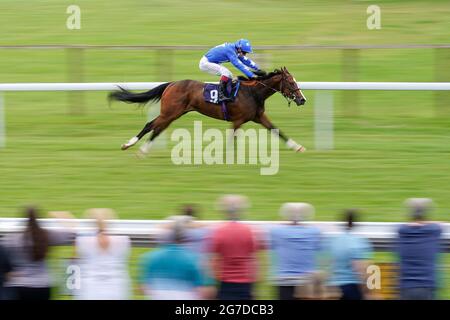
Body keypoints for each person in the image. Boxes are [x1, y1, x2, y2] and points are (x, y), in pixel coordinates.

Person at [2, 206, 75, 300]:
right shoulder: (47, 235)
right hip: (43, 286)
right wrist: (62, 215)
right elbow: (72, 235)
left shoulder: (13, 238)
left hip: (19, 285)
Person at [208, 195, 263, 300]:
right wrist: (255, 287)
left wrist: (212, 283)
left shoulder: (218, 232)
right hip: (246, 283)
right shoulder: (251, 231)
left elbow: (214, 261)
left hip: (225, 283)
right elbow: (255, 260)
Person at [74, 208, 132, 300]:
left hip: (90, 289)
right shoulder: (124, 240)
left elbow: (76, 261)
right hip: (117, 288)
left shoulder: (82, 241)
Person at [269, 203, 322, 300]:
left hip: (285, 280)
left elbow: (273, 246)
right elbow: (318, 248)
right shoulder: (314, 232)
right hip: (306, 283)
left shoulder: (277, 232)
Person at [397, 198, 442, 300]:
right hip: (427, 288)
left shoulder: (401, 230)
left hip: (406, 288)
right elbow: (438, 225)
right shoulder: (434, 230)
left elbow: (407, 225)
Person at [326, 209, 374, 300]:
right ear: (356, 223)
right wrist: (368, 291)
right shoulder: (359, 242)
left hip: (334, 288)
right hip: (352, 289)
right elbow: (361, 269)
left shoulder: (332, 241)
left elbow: (327, 265)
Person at [199, 39, 266, 102]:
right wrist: (251, 76)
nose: (244, 54)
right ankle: (221, 94)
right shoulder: (230, 51)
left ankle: (226, 92)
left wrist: (258, 69)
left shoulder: (235, 49)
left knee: (230, 75)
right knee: (225, 72)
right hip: (205, 63)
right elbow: (238, 65)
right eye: (244, 52)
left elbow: (246, 60)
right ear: (239, 49)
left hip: (212, 62)